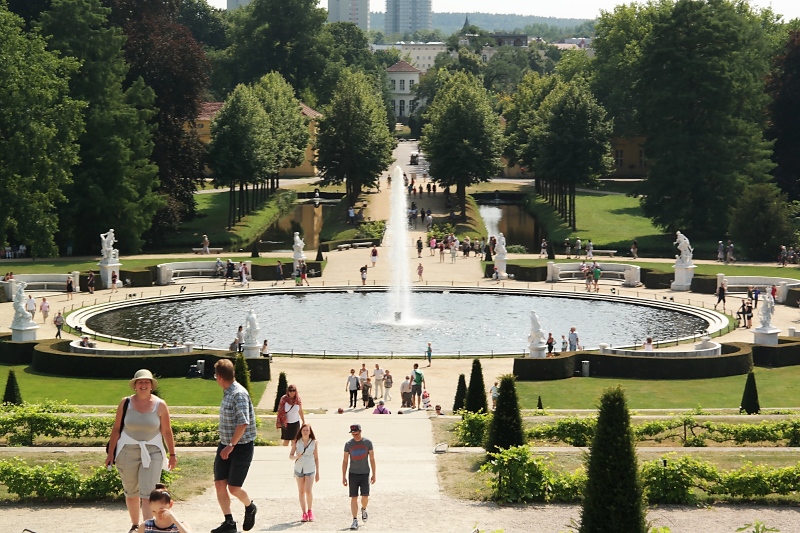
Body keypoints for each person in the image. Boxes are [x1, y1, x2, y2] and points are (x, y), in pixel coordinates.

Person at [106, 370, 177, 533]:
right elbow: (116, 429)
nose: (143, 385)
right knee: (131, 492)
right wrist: (110, 454)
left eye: (147, 382)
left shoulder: (160, 405)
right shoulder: (125, 403)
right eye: (140, 382)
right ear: (135, 386)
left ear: (151, 386)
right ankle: (135, 525)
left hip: (152, 451)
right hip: (127, 451)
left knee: (147, 493)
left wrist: (172, 454)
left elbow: (167, 431)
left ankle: (148, 528)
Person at [212, 359, 258, 533]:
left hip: (240, 447)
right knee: (219, 483)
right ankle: (229, 522)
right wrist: (226, 444)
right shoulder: (228, 391)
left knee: (233, 488)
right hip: (225, 444)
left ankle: (250, 506)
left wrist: (231, 445)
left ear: (219, 377)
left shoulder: (238, 393)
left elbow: (243, 422)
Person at [342, 424, 376, 531]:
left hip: (365, 473)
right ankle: (355, 519)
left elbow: (372, 459)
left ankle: (364, 509)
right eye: (353, 434)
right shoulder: (348, 444)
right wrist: (343, 476)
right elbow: (345, 461)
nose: (355, 436)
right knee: (354, 497)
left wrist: (374, 473)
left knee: (365, 496)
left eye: (357, 434)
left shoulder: (368, 443)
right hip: (353, 473)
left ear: (360, 432)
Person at [289, 423, 319, 523]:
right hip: (299, 468)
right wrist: (296, 457)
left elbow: (316, 457)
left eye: (307, 430)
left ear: (310, 432)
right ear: (301, 431)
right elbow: (290, 455)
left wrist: (318, 472)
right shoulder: (296, 442)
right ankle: (304, 512)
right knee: (301, 491)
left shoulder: (314, 442)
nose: (305, 432)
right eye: (304, 430)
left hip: (310, 468)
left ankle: (310, 510)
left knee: (308, 490)